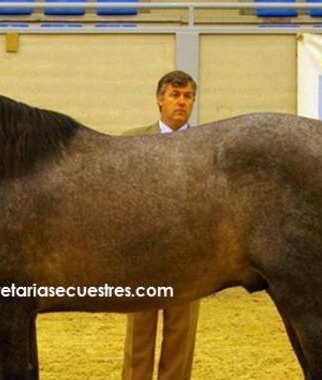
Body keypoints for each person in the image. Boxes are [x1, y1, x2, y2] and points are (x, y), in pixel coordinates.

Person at [121, 70, 200, 380]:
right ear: (159, 99)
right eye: (175, 95)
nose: (181, 102)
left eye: (187, 96)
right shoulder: (131, 142)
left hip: (191, 257)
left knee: (181, 337)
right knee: (139, 335)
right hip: (142, 253)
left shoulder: (207, 146)